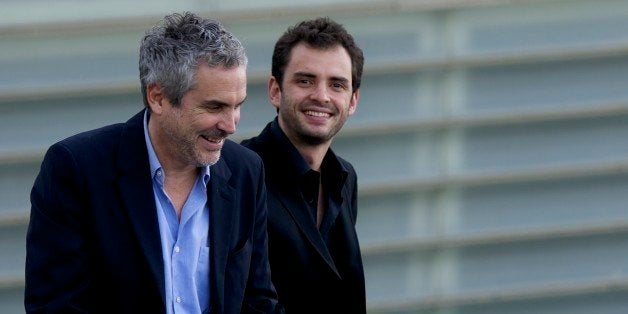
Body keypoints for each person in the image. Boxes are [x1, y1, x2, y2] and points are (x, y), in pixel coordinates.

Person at [25, 12, 281, 314]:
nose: (231, 125)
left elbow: (259, 302)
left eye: (237, 106)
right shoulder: (76, 170)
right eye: (215, 106)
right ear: (158, 97)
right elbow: (54, 307)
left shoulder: (245, 171)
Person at [241, 17, 366, 313]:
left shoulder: (345, 178)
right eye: (305, 80)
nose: (321, 96)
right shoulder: (239, 174)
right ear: (275, 90)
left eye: (337, 84)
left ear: (352, 101)